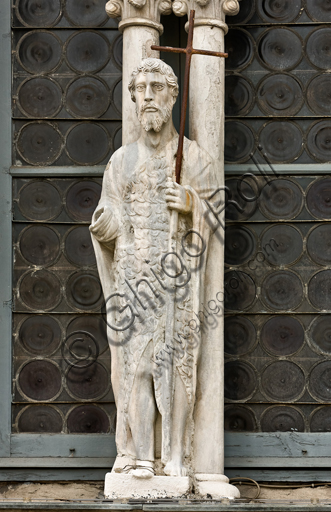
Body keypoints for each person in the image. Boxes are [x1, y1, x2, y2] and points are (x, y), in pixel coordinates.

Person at [90, 58, 219, 479]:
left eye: (155, 88)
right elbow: (108, 213)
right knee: (137, 369)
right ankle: (143, 456)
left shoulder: (193, 158)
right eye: (140, 89)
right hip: (133, 280)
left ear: (172, 95)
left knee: (177, 368)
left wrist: (190, 204)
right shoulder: (120, 162)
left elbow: (216, 215)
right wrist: (104, 224)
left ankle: (178, 458)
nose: (147, 95)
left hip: (175, 282)